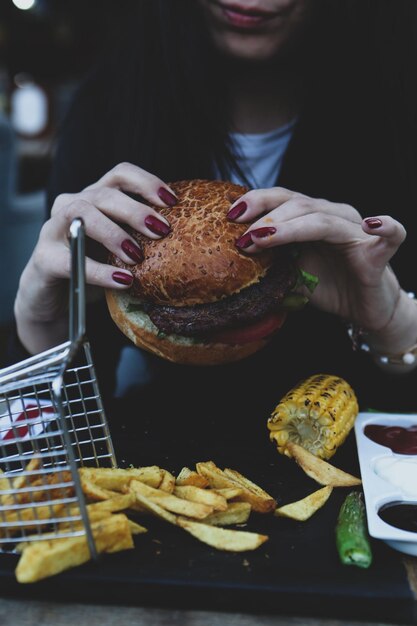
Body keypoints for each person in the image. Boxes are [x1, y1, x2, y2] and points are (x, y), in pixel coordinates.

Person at [8, 0, 417, 443]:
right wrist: (43, 333)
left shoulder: (399, 114)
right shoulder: (108, 108)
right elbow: (58, 445)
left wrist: (395, 322)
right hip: (159, 447)